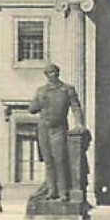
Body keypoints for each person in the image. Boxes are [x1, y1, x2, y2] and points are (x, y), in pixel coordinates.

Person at [29, 63, 85, 201]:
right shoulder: (41, 90)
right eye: (48, 73)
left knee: (59, 159)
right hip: (43, 127)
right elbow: (32, 109)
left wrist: (79, 123)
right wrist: (38, 103)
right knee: (48, 160)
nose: (51, 75)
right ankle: (51, 190)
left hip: (58, 128)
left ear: (58, 73)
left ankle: (63, 191)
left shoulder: (67, 89)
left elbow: (76, 107)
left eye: (53, 72)